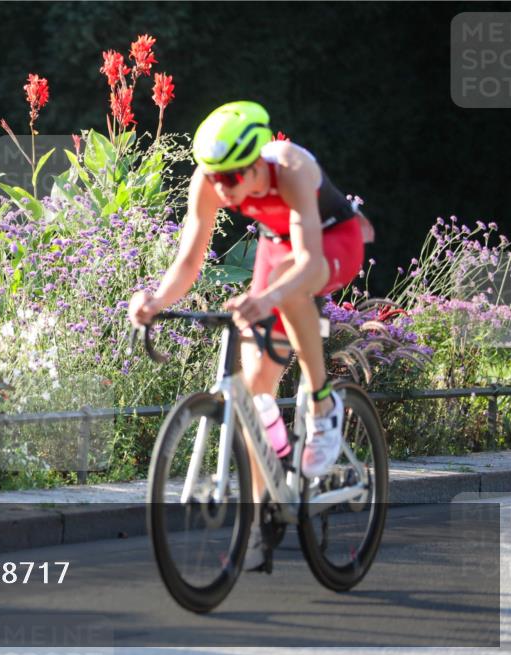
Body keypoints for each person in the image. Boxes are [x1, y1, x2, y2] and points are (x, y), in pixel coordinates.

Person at [127, 100, 374, 570]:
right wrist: (155, 301)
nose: (222, 188)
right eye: (214, 176)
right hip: (278, 245)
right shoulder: (211, 180)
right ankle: (264, 512)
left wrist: (264, 299)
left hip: (330, 242)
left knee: (287, 289)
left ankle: (322, 403)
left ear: (258, 161)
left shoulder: (293, 167)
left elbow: (305, 263)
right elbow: (190, 260)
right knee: (252, 389)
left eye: (231, 179)